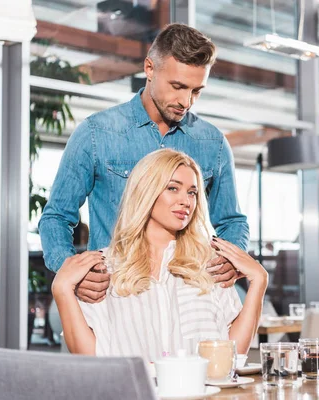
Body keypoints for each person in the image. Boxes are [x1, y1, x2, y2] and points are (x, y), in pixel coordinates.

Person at [39, 23, 249, 304]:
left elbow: (232, 220)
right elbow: (56, 217)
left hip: (186, 301)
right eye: (178, 86)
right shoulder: (95, 134)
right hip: (113, 298)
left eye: (197, 91)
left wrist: (230, 258)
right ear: (149, 69)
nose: (186, 102)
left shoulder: (212, 143)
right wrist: (70, 270)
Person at [52, 150, 267, 359]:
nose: (186, 201)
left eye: (192, 192)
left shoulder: (209, 264)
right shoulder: (105, 266)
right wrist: (62, 290)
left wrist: (259, 281)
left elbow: (233, 354)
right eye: (173, 188)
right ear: (146, 191)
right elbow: (89, 356)